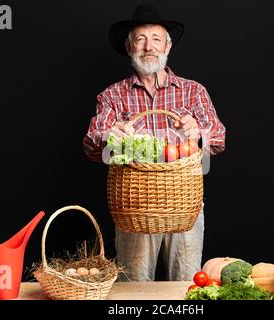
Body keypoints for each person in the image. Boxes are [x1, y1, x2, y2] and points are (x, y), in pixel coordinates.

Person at [83, 4, 226, 281]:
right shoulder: (113, 96)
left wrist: (198, 132)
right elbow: (90, 145)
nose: (149, 46)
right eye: (140, 39)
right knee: (134, 286)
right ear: (129, 47)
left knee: (186, 285)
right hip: (135, 207)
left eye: (156, 39)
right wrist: (110, 135)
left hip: (183, 207)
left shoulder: (193, 91)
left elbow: (219, 137)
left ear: (168, 46)